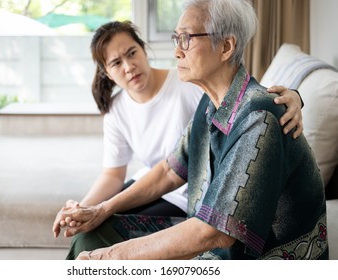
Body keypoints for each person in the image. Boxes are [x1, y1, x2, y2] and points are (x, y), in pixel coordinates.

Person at [52, 0, 328, 259]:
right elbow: (169, 171)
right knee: (90, 237)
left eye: (186, 38)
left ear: (226, 47)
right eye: (176, 39)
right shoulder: (209, 102)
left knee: (103, 254)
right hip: (203, 229)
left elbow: (214, 234)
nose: (176, 51)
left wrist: (111, 256)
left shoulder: (258, 117)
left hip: (254, 256)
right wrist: (100, 209)